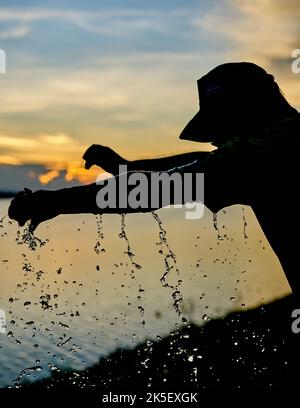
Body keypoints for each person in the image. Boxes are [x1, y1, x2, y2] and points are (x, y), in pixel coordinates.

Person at [8, 62, 300, 295]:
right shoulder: (281, 139)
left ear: (244, 111)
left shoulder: (260, 154)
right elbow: (199, 162)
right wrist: (126, 167)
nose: (216, 143)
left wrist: (54, 202)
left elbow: (160, 189)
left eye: (220, 130)